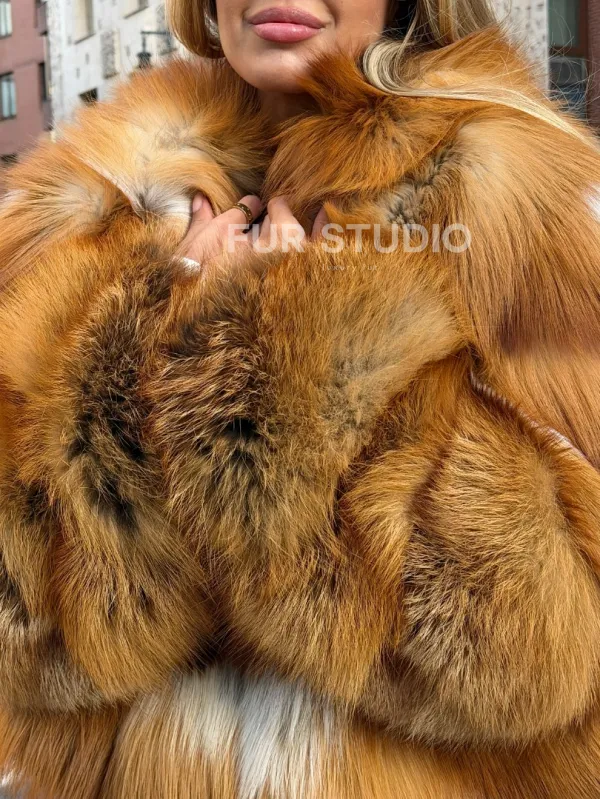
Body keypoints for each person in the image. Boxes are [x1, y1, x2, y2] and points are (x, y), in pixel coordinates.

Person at [0, 1, 600, 796]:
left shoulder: (521, 208)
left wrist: (292, 362)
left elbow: (535, 658)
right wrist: (142, 332)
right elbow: (22, 643)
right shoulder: (70, 212)